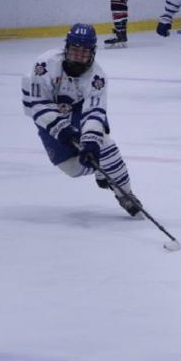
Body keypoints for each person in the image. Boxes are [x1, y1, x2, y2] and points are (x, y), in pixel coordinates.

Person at [21, 23, 141, 216]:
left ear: (93, 53)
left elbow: (94, 112)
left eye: (84, 53)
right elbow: (38, 106)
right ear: (66, 48)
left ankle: (124, 193)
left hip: (78, 110)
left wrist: (91, 143)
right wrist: (63, 131)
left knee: (105, 147)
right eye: (74, 51)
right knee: (72, 168)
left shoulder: (97, 77)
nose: (78, 57)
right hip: (48, 117)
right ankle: (101, 170)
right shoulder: (44, 65)